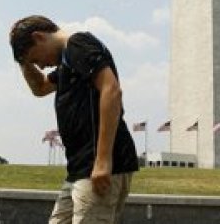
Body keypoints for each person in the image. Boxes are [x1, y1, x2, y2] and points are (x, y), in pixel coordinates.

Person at [10, 15, 139, 223]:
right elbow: (40, 87)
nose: (41, 66)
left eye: (35, 59)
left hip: (97, 165)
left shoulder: (77, 45)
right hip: (80, 169)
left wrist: (103, 161)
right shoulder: (67, 61)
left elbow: (111, 90)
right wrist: (23, 61)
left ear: (39, 37)